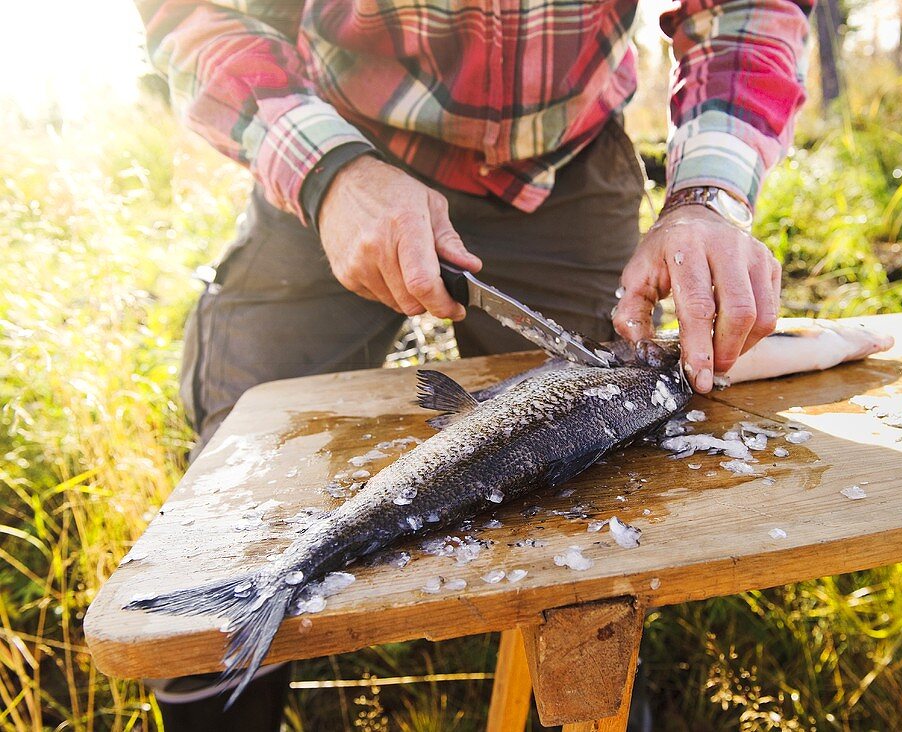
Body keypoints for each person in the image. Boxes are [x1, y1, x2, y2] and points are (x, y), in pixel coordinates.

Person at [134, 0, 813, 727]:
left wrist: (708, 194)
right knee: (233, 489)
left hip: (568, 167)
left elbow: (747, 11)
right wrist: (324, 170)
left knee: (599, 553)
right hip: (330, 138)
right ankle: (217, 684)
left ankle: (585, 701)